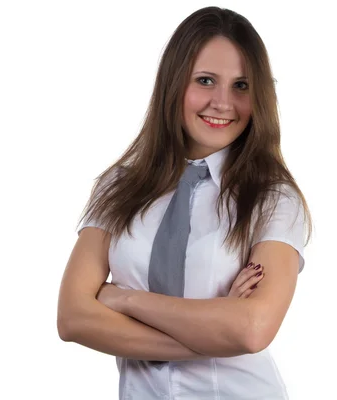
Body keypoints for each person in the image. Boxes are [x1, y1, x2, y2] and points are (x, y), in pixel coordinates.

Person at [57, 6, 313, 400]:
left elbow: (252, 329)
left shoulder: (272, 198)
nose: (223, 103)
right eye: (206, 80)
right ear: (173, 84)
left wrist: (122, 298)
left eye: (242, 86)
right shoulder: (118, 187)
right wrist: (214, 331)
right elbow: (73, 318)